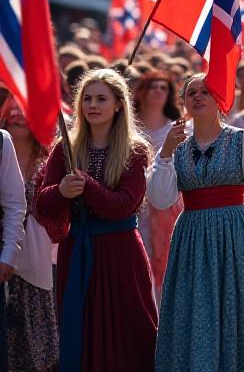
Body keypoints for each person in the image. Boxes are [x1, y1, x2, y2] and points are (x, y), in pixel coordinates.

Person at [148, 73, 244, 371]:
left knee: (238, 312)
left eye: (206, 91)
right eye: (191, 92)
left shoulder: (241, 139)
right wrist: (166, 153)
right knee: (195, 311)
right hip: (192, 237)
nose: (198, 96)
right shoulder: (176, 145)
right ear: (183, 101)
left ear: (219, 100)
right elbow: (160, 198)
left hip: (235, 236)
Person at [36, 68, 157, 371]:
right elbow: (42, 205)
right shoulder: (65, 148)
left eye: (101, 99)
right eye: (87, 98)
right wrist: (62, 191)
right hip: (77, 255)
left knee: (128, 334)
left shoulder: (135, 150)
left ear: (118, 104)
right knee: (81, 331)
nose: (93, 105)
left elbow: (124, 205)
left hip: (121, 255)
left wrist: (88, 186)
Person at [2, 100, 57, 371]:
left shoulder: (51, 158)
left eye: (22, 107)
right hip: (5, 257)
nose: (14, 114)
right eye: (8, 107)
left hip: (38, 258)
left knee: (37, 348)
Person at [133, 70, 183, 303]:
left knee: (166, 263)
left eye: (164, 87)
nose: (158, 91)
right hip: (135, 207)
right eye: (153, 86)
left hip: (167, 209)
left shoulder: (177, 129)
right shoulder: (128, 129)